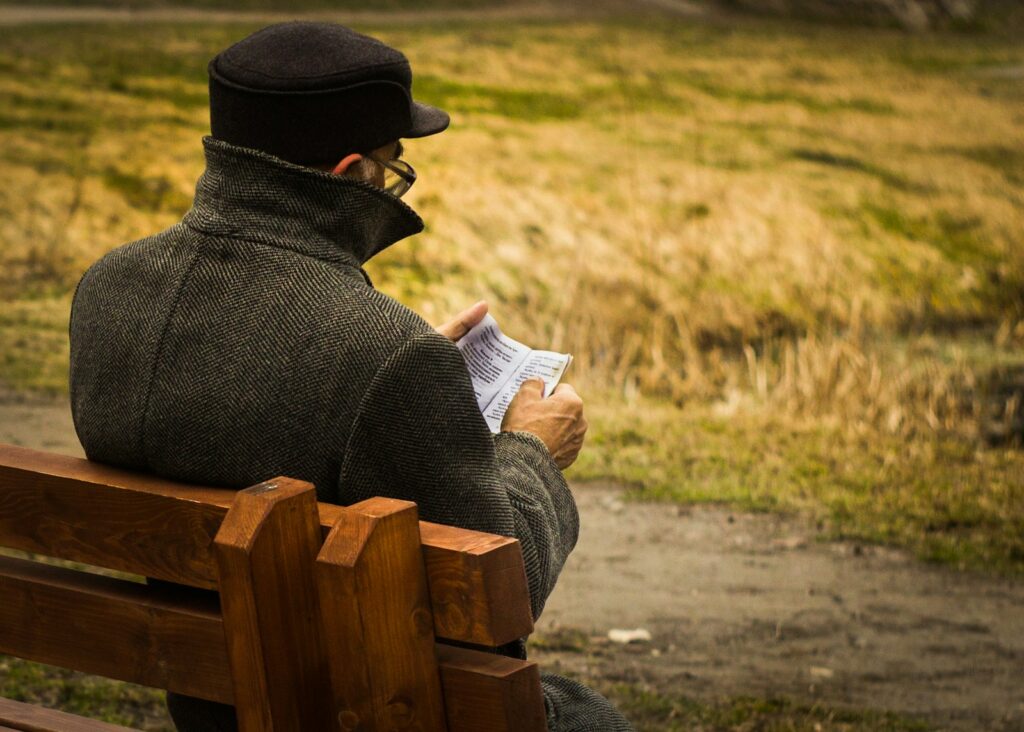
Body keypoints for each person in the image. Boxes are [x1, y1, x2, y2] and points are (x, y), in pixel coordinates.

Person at [68, 21, 631, 732]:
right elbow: (494, 597)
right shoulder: (384, 355)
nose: (396, 183)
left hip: (206, 698)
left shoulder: (106, 290)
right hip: (356, 708)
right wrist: (530, 451)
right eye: (393, 166)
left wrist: (407, 370)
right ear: (350, 175)